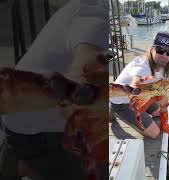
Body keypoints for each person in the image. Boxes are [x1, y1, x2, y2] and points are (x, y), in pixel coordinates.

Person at [1, 0, 107, 179]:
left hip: (30, 116)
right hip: (34, 133)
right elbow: (83, 70)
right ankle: (25, 165)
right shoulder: (93, 12)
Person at [110, 31, 169, 139]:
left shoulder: (164, 65)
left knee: (157, 111)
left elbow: (163, 90)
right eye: (160, 50)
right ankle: (119, 113)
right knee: (154, 133)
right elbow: (136, 82)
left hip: (144, 96)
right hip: (123, 101)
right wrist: (138, 84)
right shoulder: (143, 67)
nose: (164, 56)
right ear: (152, 48)